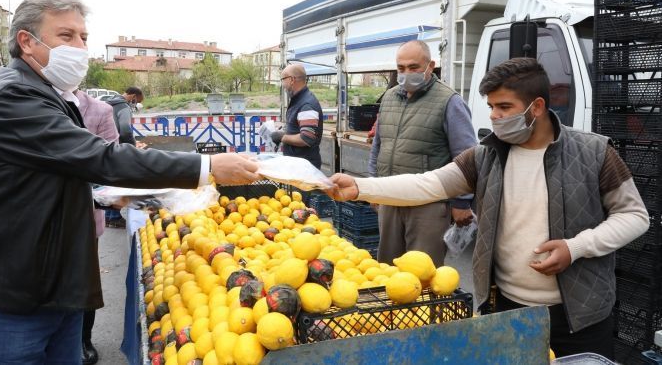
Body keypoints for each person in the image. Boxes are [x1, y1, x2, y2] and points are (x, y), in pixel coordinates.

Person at [0, 0, 261, 363]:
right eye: (66, 35)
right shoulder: (12, 95)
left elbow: (46, 175)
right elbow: (99, 156)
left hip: (48, 288)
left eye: (84, 37)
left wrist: (107, 198)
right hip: (4, 296)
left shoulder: (48, 94)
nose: (80, 47)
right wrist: (207, 166)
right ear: (27, 41)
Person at [327, 58, 650, 359]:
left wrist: (575, 247)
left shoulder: (594, 152)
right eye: (491, 106)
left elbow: (634, 216)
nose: (494, 116)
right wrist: (360, 188)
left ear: (536, 107)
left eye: (504, 107)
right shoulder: (486, 156)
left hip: (579, 317)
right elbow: (429, 184)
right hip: (507, 308)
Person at [367, 40, 477, 266]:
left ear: (430, 66)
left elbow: (467, 156)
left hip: (428, 204)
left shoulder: (449, 101)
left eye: (413, 67)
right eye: (401, 68)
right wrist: (372, 187)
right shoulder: (389, 98)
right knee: (387, 268)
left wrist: (462, 203)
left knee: (423, 272)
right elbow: (379, 144)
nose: (406, 73)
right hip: (390, 196)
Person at [75, 89, 119, 365]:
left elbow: (111, 162)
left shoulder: (99, 110)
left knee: (83, 278)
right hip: (31, 214)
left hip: (83, 213)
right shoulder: (24, 102)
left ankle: (83, 338)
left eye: (83, 41)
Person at [271, 64, 323, 169]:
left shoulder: (306, 105)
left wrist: (282, 137)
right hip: (297, 166)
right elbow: (297, 128)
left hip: (304, 169)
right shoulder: (299, 101)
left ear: (291, 80)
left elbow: (306, 139)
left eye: (283, 79)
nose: (283, 85)